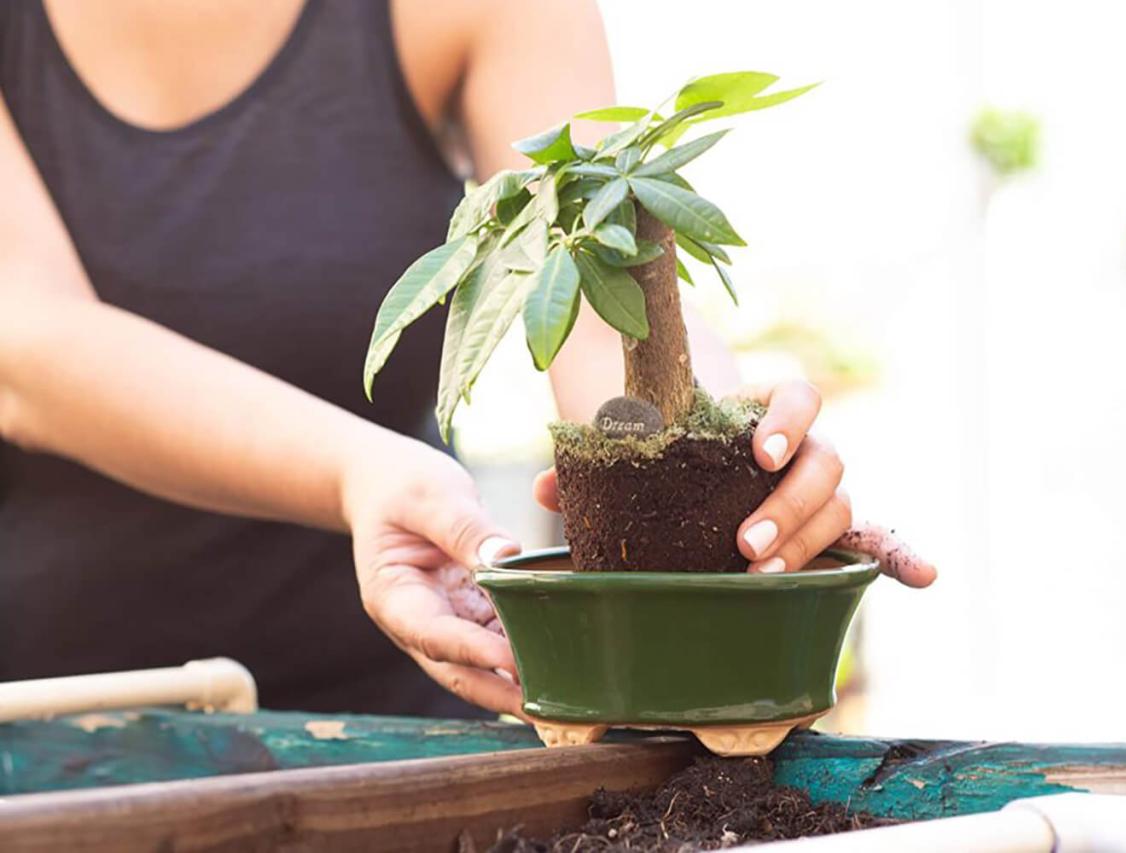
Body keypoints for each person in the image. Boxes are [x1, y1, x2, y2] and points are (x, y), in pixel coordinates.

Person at [0, 0, 935, 719]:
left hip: (399, 726)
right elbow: (27, 345)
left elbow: (595, 256)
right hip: (51, 731)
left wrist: (728, 471)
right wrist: (358, 466)